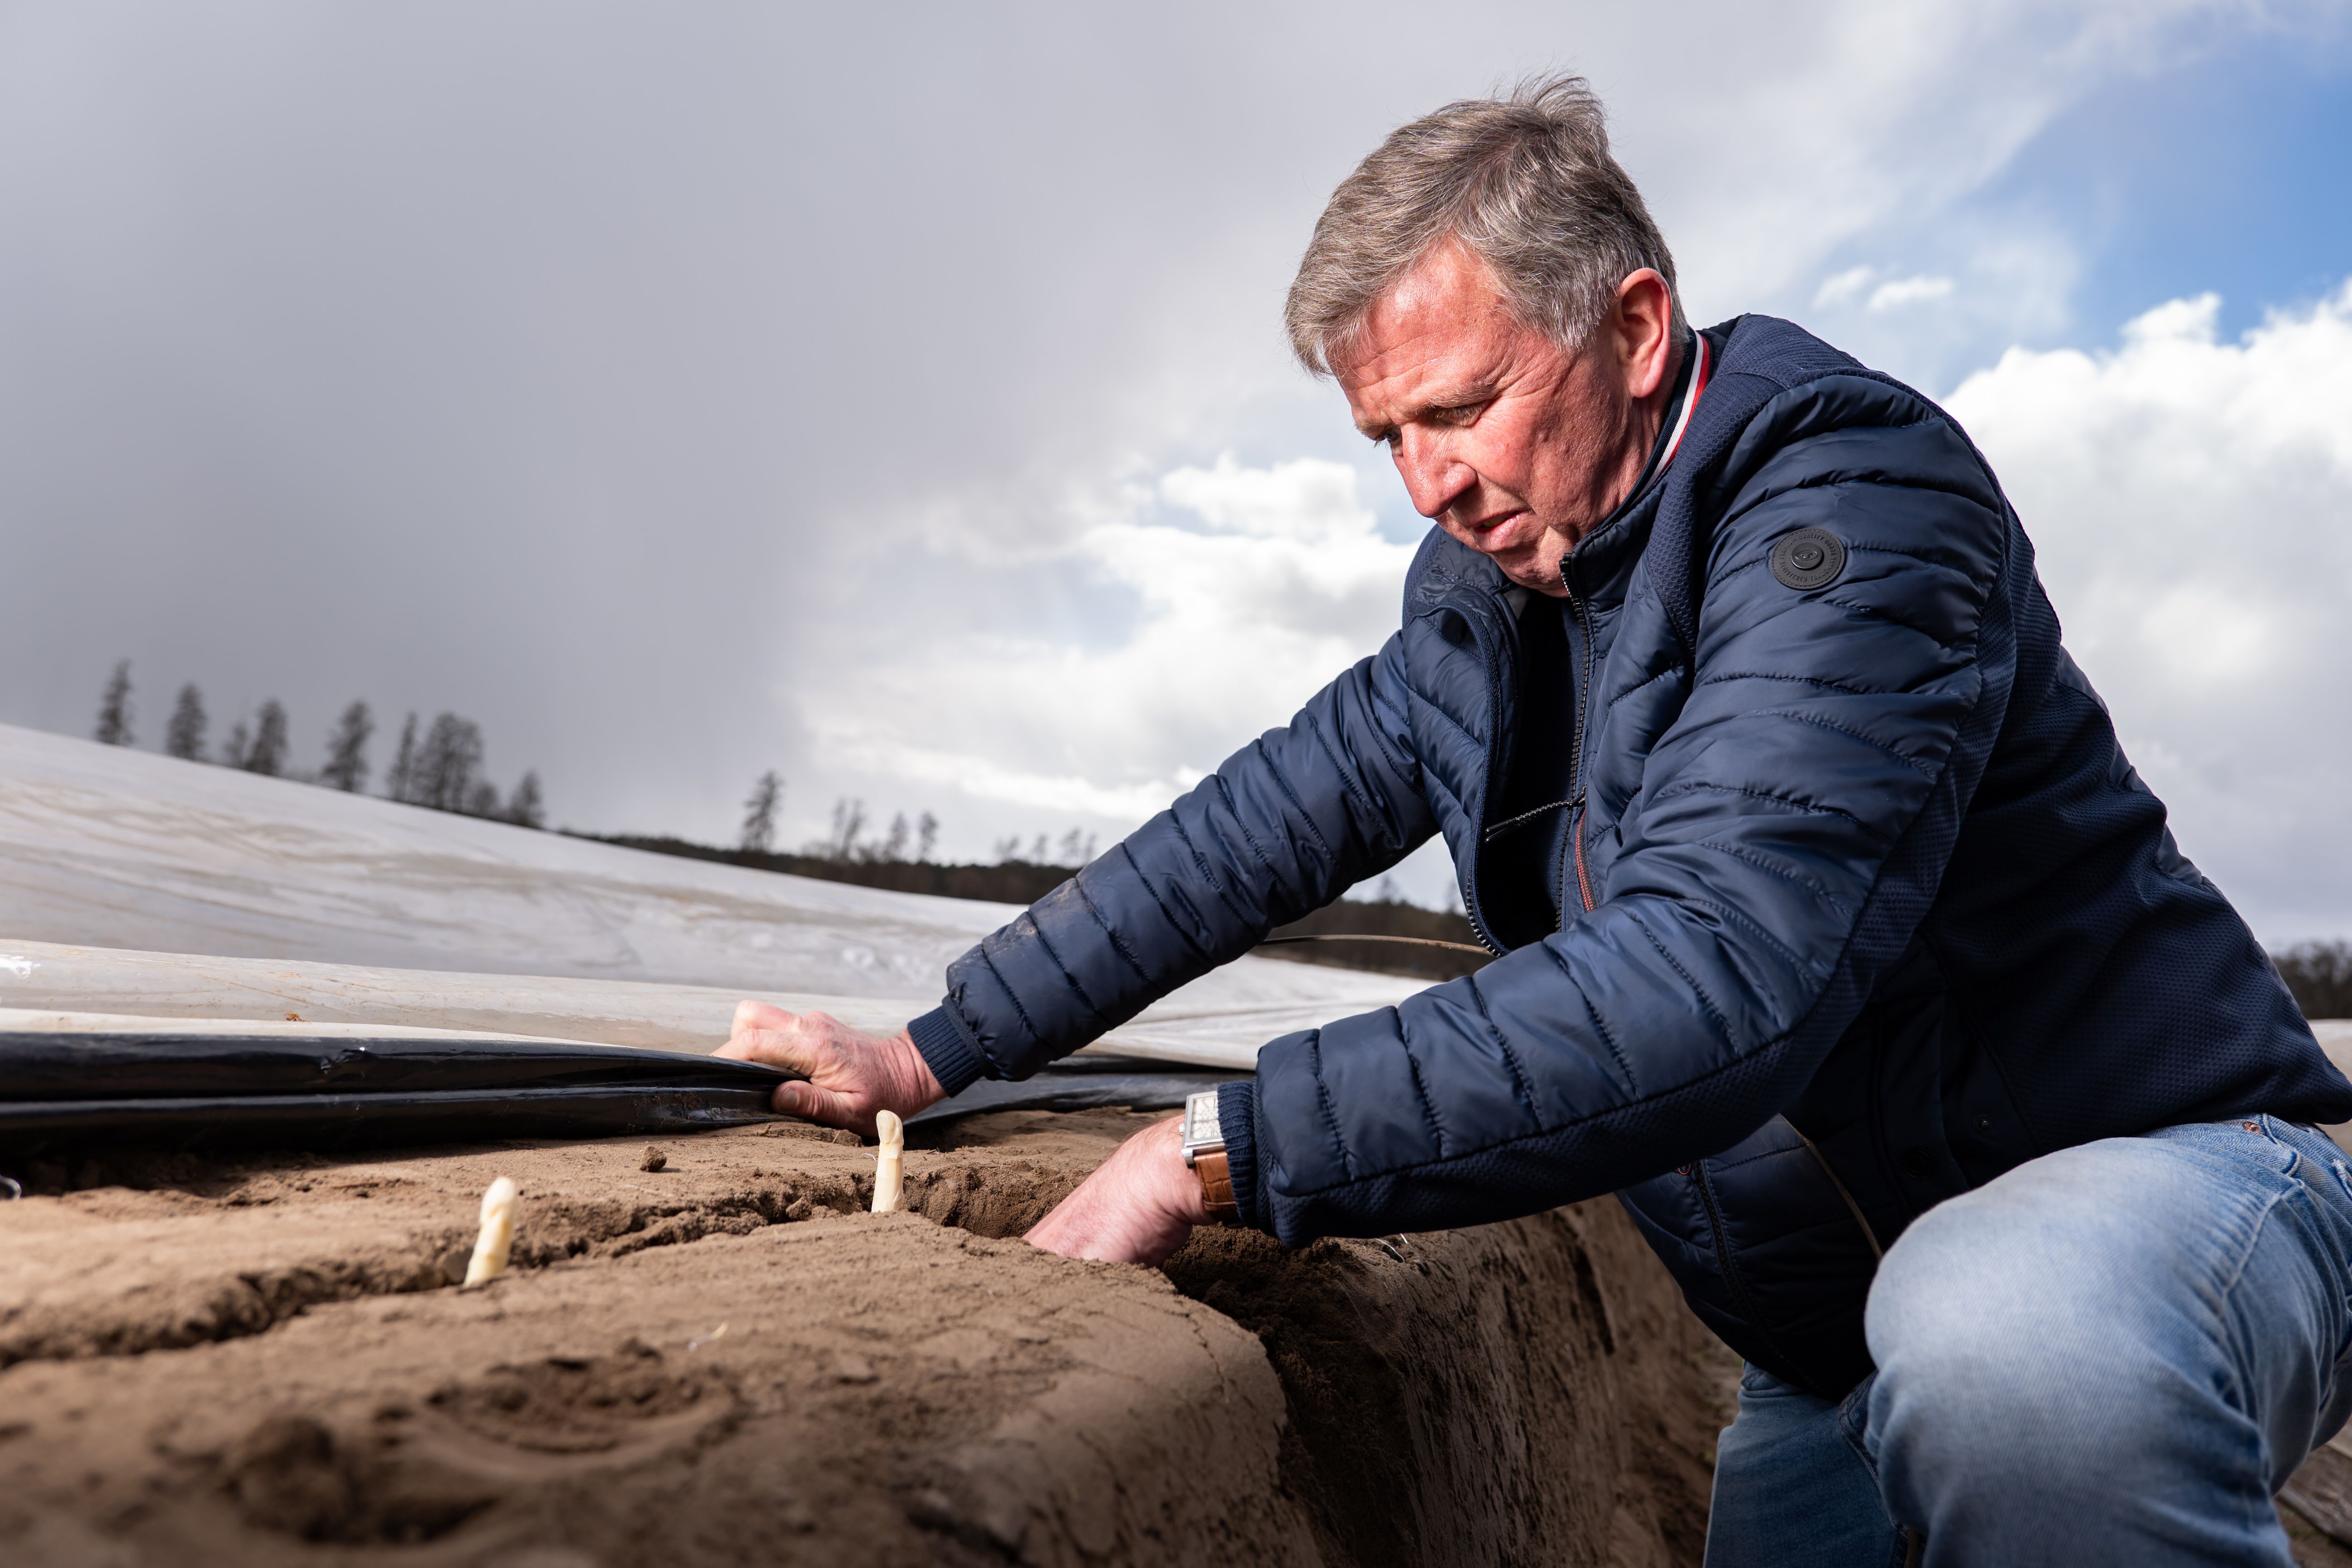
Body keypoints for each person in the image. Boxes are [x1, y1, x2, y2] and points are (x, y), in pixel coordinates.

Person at [718, 76, 2352, 1566]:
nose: (1429, 482)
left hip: (2180, 1186)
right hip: (1835, 1342)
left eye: (1465, 406)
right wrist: (937, 1047)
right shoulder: (1487, 603)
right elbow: (1247, 832)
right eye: (1389, 440)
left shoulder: (1853, 506)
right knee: (1931, 1337)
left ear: (1636, 329)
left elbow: (1714, 973)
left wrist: (1218, 1149)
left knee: (2007, 1342)